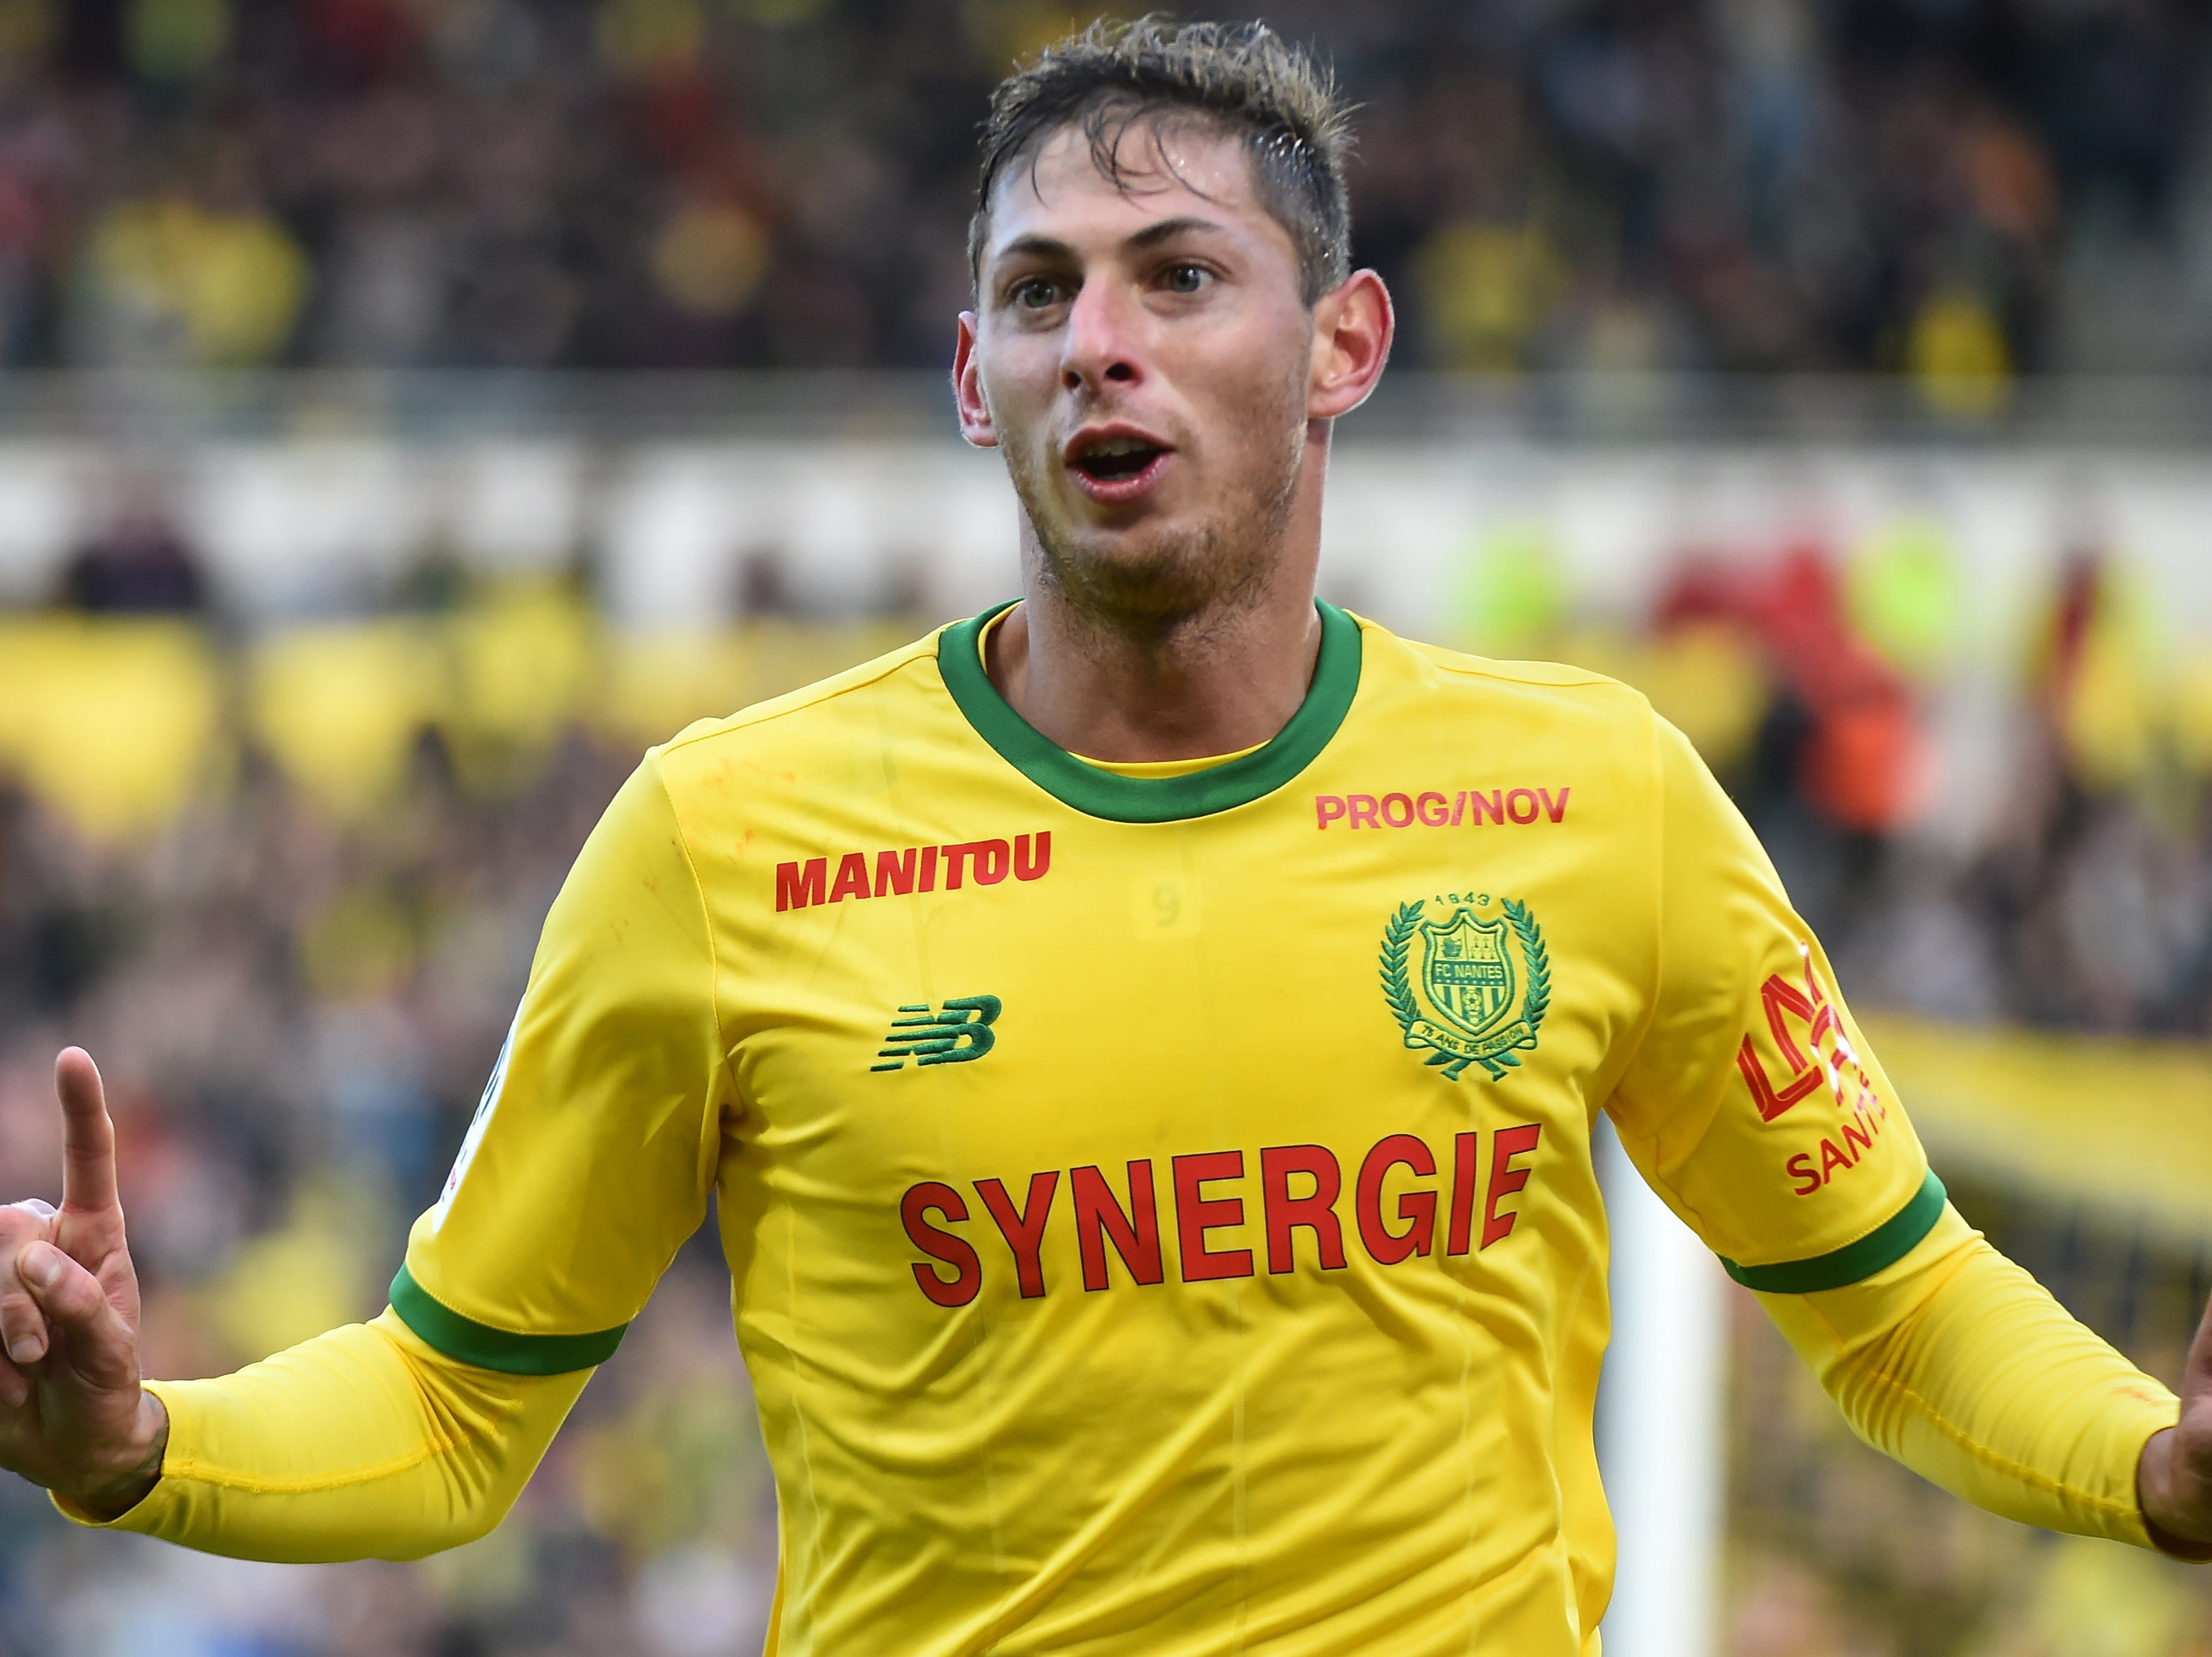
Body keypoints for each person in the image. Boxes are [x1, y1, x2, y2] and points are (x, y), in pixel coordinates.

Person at [3, 20, 2210, 1654]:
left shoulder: (1592, 798)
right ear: (972, 379)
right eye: (1041, 294)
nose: (1100, 346)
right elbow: (445, 1405)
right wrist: (140, 1443)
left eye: (1176, 275)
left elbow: (1893, 1307)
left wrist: (2145, 1462)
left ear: (1339, 342)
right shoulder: (721, 837)